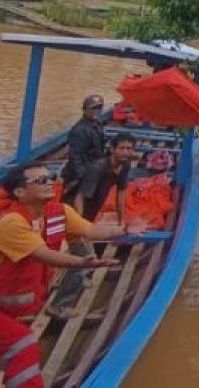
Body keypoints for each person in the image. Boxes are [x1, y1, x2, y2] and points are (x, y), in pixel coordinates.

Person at [0, 162, 145, 388]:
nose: (50, 182)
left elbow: (91, 230)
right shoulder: (12, 223)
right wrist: (82, 262)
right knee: (23, 344)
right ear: (20, 192)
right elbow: (43, 255)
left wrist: (124, 230)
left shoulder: (59, 213)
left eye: (50, 176)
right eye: (40, 180)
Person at [48, 132, 137, 319]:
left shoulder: (125, 166)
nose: (125, 152)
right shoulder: (98, 168)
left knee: (81, 255)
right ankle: (58, 306)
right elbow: (80, 197)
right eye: (121, 148)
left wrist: (122, 222)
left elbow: (121, 194)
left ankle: (79, 277)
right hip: (71, 212)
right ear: (112, 149)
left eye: (129, 148)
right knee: (86, 258)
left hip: (87, 216)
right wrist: (80, 227)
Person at [61, 94, 109, 204]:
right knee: (78, 197)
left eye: (99, 108)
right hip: (82, 170)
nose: (96, 111)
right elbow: (75, 156)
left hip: (94, 166)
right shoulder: (80, 130)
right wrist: (82, 175)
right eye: (93, 108)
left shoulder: (96, 124)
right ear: (84, 110)